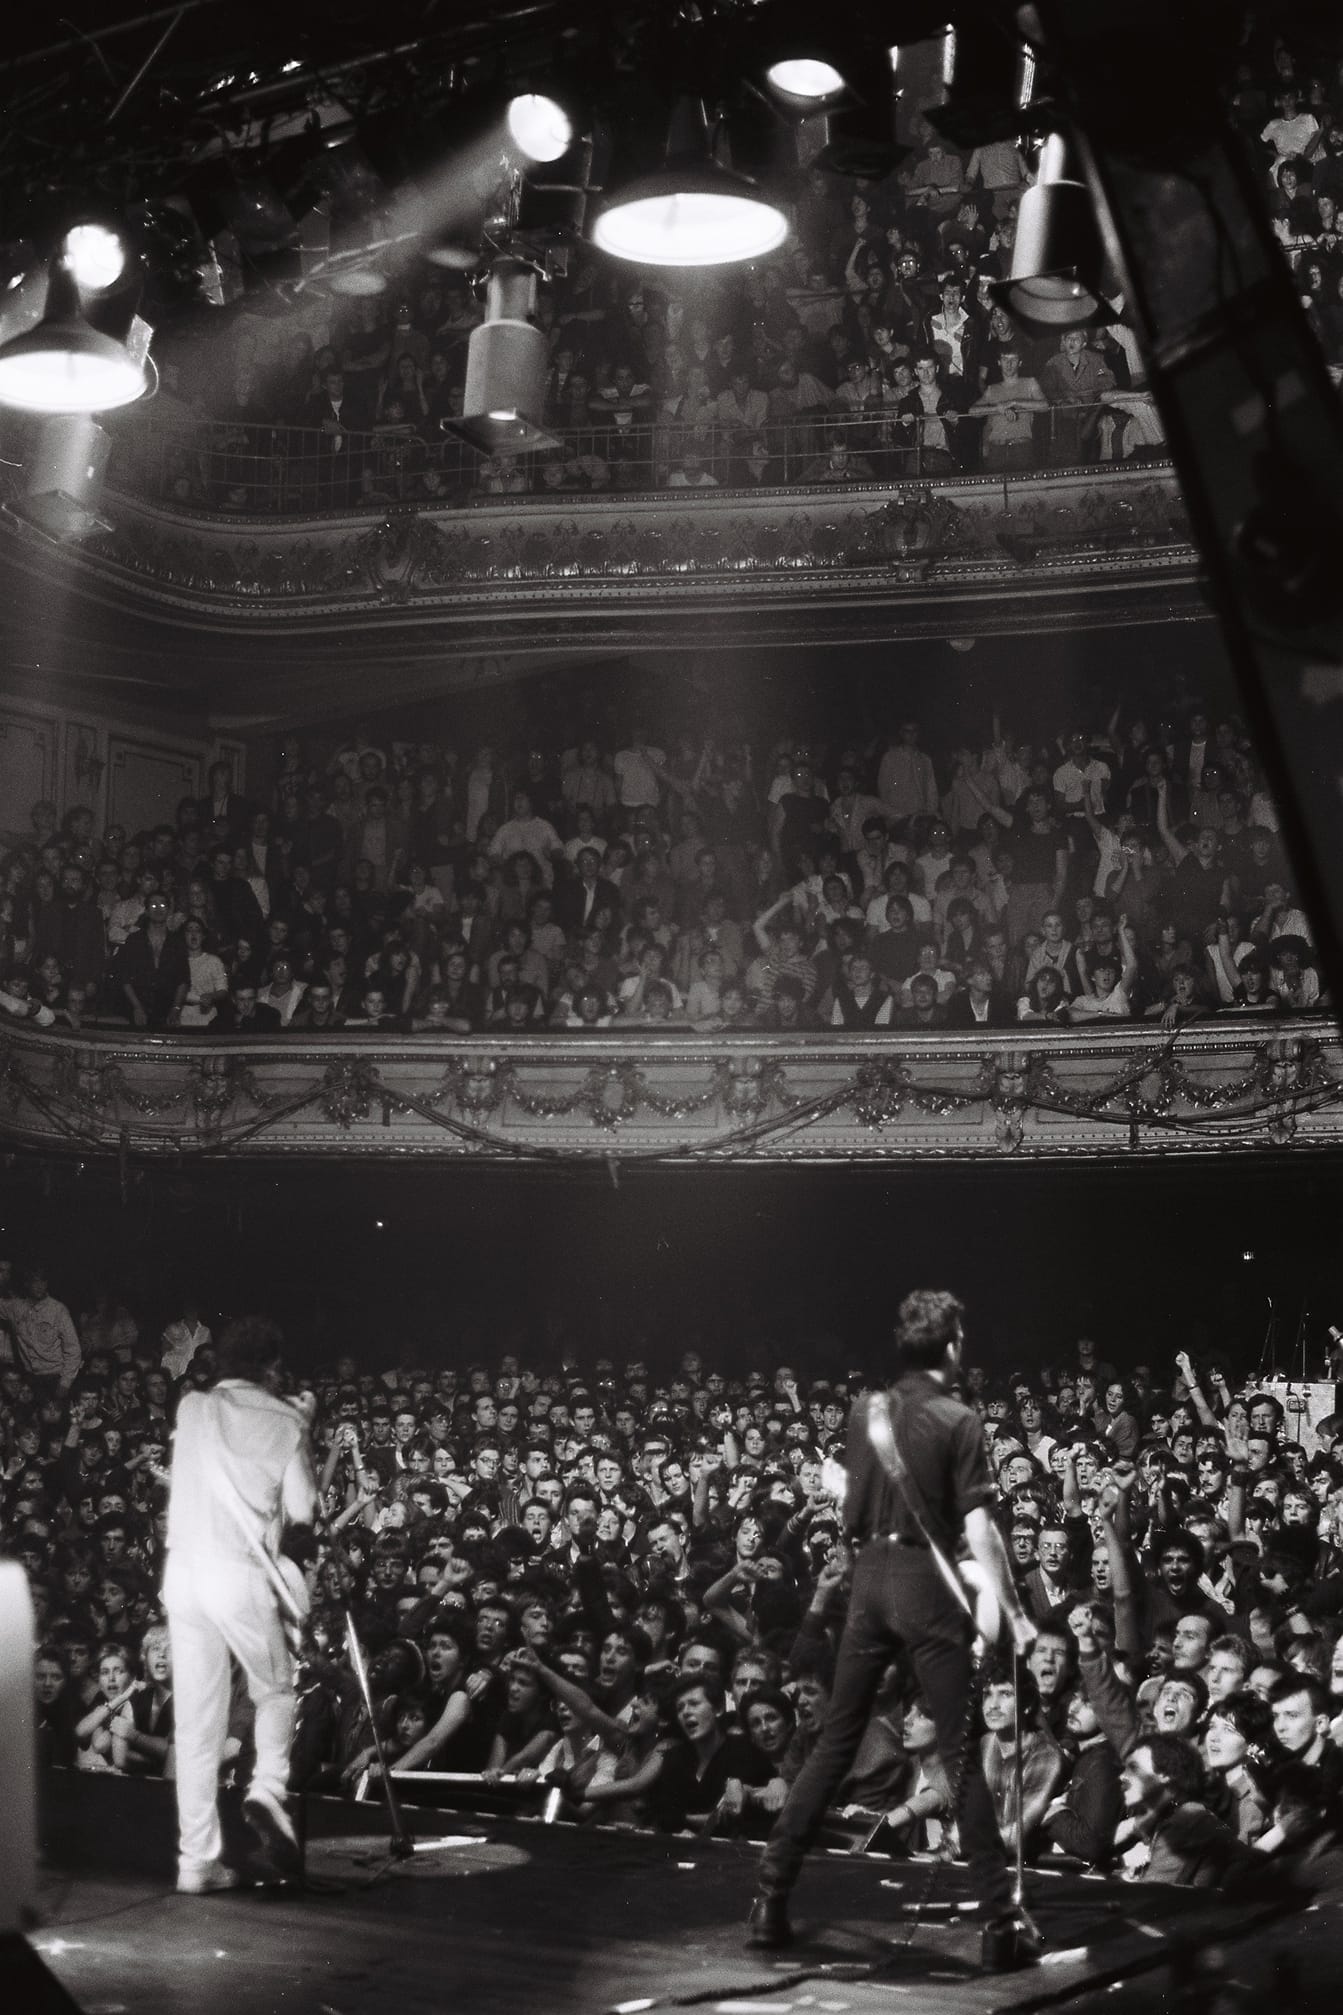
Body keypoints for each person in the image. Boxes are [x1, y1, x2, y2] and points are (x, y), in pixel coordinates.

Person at [748, 1288, 1039, 1970]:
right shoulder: (957, 1418)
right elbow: (976, 1530)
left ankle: (769, 1899)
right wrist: (1014, 1614)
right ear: (950, 1345)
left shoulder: (865, 1410)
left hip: (869, 1579)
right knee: (961, 1755)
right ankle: (1000, 1923)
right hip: (922, 1583)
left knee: (831, 1742)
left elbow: (848, 1515)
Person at [164, 1314, 318, 1893]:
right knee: (275, 1688)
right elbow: (303, 1517)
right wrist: (302, 1427)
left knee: (197, 1724)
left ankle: (195, 1863)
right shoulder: (285, 1420)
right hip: (239, 1572)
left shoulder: (192, 1407)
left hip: (183, 1575)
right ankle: (269, 1787)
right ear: (273, 1366)